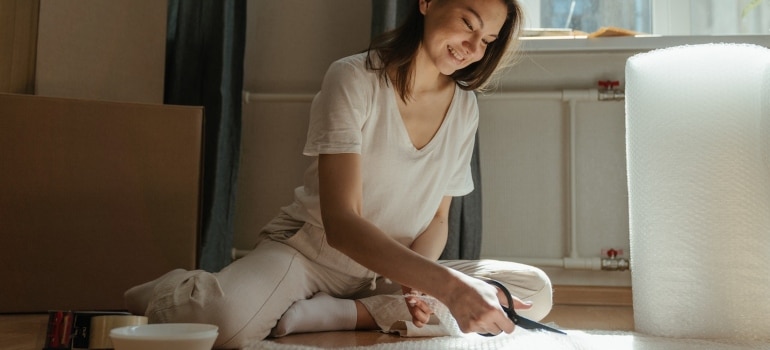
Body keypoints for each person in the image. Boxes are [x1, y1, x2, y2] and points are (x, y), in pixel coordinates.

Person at [124, 0, 553, 347]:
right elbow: (342, 224)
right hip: (311, 256)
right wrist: (449, 288)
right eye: (467, 23)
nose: (472, 46)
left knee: (532, 291)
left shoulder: (465, 108)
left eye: (487, 40)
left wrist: (417, 283)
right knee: (222, 325)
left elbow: (438, 219)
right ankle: (174, 289)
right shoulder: (353, 78)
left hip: (389, 273)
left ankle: (342, 313)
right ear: (426, 2)